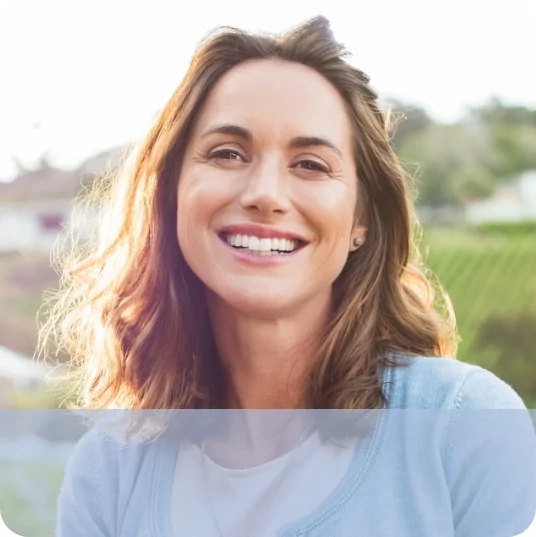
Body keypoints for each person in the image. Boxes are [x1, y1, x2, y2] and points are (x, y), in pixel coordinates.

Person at [42, 15, 536, 537]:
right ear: (171, 196)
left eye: (311, 164)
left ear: (360, 219)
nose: (266, 193)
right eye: (227, 153)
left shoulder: (462, 427)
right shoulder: (109, 473)